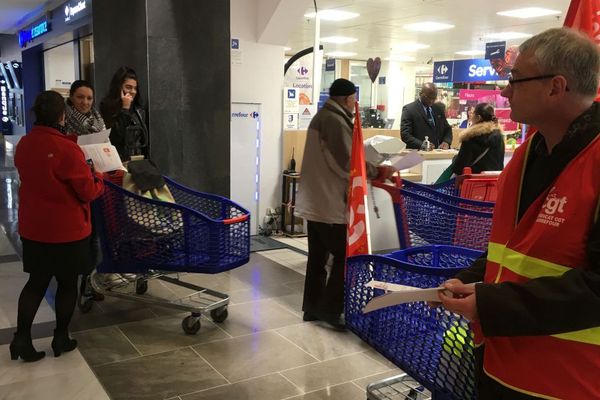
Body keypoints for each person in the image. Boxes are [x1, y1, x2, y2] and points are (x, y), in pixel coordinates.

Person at [439, 28, 600, 399]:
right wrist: (468, 281)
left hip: (570, 381)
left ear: (555, 87)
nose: (505, 90)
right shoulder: (525, 159)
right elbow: (510, 252)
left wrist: (492, 304)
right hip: (501, 368)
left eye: (515, 79)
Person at [11, 91, 104, 362]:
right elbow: (86, 191)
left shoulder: (25, 144)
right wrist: (97, 177)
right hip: (67, 231)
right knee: (66, 284)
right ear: (62, 116)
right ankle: (61, 337)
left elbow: (44, 164)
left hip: (35, 228)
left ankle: (21, 340)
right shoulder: (67, 149)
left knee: (36, 284)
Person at [295, 78, 393, 329]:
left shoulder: (322, 117)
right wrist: (377, 172)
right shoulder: (334, 121)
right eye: (354, 100)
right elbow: (348, 163)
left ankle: (313, 308)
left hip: (315, 200)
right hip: (329, 202)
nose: (355, 105)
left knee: (317, 257)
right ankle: (329, 309)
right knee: (344, 256)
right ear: (348, 99)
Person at [100, 66, 149, 161]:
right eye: (128, 87)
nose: (133, 92)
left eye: (135, 88)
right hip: (119, 160)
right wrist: (125, 109)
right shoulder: (108, 107)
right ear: (118, 88)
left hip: (138, 160)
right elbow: (116, 137)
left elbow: (143, 140)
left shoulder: (138, 110)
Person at [451, 103, 505, 175]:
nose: (471, 116)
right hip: (494, 182)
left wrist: (455, 159)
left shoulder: (470, 137)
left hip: (473, 183)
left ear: (478, 117)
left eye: (473, 114)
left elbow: (458, 168)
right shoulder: (499, 137)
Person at [400, 83, 453, 150]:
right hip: (416, 155)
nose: (431, 101)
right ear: (420, 93)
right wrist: (422, 144)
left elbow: (447, 129)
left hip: (437, 154)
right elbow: (405, 135)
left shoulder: (438, 109)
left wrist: (446, 142)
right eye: (428, 97)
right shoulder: (409, 109)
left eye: (434, 98)